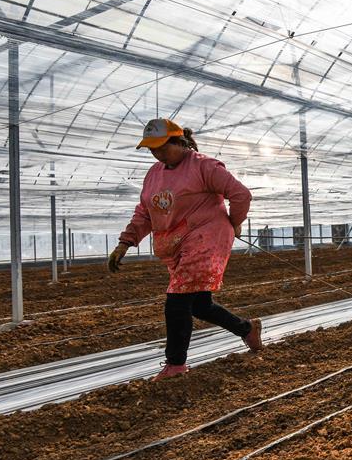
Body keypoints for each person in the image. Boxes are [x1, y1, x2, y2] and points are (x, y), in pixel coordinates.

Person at [108, 119, 263, 381]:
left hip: (206, 238)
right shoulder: (154, 175)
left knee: (177, 300)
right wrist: (125, 243)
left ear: (180, 142)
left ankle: (175, 364)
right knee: (200, 305)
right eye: (152, 149)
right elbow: (144, 213)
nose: (157, 153)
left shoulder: (203, 166)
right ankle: (247, 329)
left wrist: (235, 222)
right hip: (177, 244)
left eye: (162, 147)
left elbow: (240, 194)